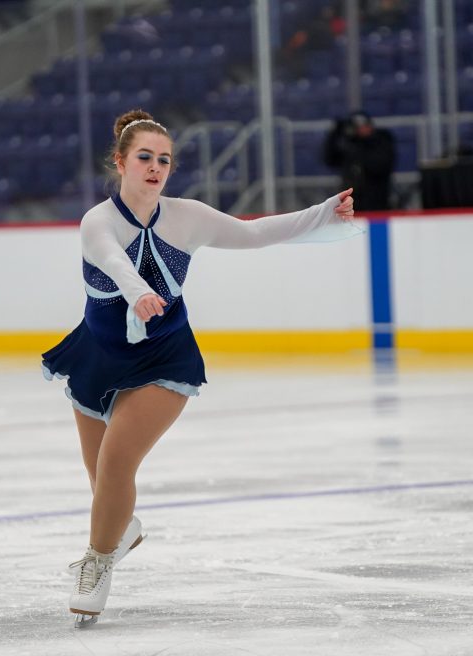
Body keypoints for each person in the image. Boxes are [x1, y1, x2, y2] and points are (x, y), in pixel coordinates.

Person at [42, 109, 357, 627]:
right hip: (98, 354)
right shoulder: (97, 221)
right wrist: (138, 292)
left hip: (165, 354)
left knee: (116, 464)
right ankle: (120, 529)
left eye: (164, 160)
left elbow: (254, 233)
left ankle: (96, 563)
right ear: (120, 162)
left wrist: (322, 213)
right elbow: (114, 261)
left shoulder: (187, 217)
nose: (155, 167)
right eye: (145, 157)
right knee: (102, 480)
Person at [322, 110, 396, 211]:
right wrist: (334, 134)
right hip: (352, 205)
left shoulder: (380, 142)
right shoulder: (349, 147)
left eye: (364, 126)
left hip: (377, 203)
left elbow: (380, 166)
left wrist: (360, 147)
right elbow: (329, 159)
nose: (361, 130)